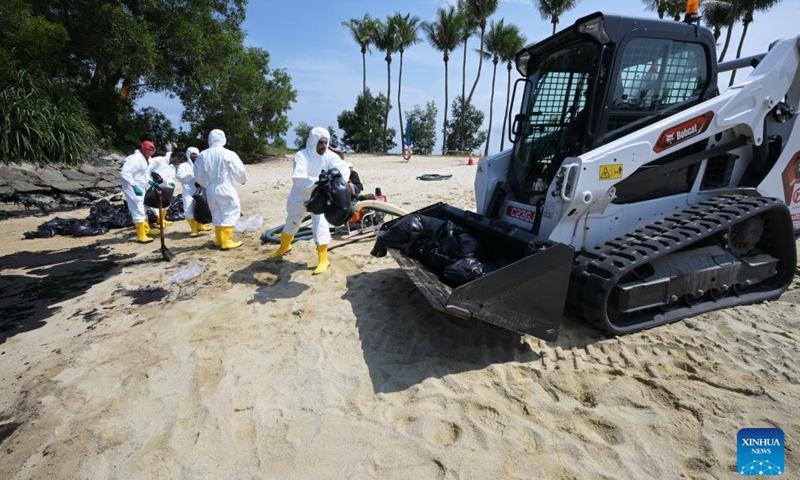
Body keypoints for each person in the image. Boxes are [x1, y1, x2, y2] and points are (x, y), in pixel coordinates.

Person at [270, 127, 349, 275]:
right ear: (313, 142)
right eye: (321, 143)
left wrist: (335, 182)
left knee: (320, 224)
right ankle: (284, 247)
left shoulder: (329, 156)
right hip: (301, 195)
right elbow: (299, 179)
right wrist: (319, 181)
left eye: (326, 142)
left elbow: (343, 168)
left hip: (320, 197)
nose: (324, 146)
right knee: (292, 221)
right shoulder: (301, 156)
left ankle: (323, 259)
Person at [193, 129, 248, 250]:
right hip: (225, 186)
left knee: (216, 213)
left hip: (211, 188)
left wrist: (208, 185)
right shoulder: (229, 154)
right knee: (230, 211)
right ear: (223, 138)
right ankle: (227, 241)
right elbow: (239, 171)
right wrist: (243, 180)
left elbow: (198, 175)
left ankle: (219, 240)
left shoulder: (203, 155)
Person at [119, 140, 157, 243]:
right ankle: (141, 235)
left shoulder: (145, 159)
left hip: (141, 186)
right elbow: (124, 173)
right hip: (132, 187)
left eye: (152, 150)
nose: (150, 152)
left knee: (143, 208)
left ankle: (146, 230)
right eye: (148, 149)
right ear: (143, 148)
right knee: (138, 208)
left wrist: (151, 181)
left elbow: (143, 174)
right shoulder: (135, 158)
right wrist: (134, 186)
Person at [176, 147, 212, 237]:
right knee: (188, 210)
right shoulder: (183, 166)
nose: (194, 156)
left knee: (202, 208)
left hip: (201, 190)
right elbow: (180, 177)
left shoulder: (201, 165)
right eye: (192, 154)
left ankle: (200, 225)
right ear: (188, 155)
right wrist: (193, 175)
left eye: (196, 154)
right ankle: (193, 229)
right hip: (188, 190)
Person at [148, 150, 177, 228]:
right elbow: (147, 168)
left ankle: (162, 219)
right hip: (154, 184)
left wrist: (171, 182)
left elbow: (171, 176)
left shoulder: (172, 166)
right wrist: (150, 179)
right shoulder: (159, 160)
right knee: (156, 203)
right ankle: (159, 220)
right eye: (176, 159)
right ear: (172, 157)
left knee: (166, 203)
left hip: (164, 186)